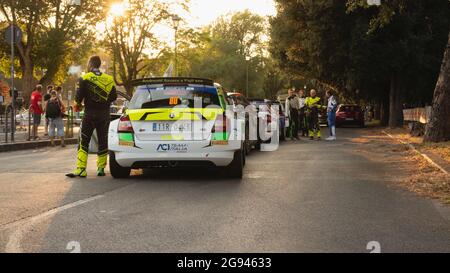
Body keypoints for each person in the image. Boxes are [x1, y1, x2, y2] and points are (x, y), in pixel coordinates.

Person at [66, 56, 117, 178]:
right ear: (99, 64)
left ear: (90, 64)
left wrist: (77, 105)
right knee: (103, 141)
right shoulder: (109, 79)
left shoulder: (85, 77)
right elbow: (114, 97)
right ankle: (100, 168)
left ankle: (81, 169)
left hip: (89, 114)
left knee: (84, 140)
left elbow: (78, 97)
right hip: (104, 114)